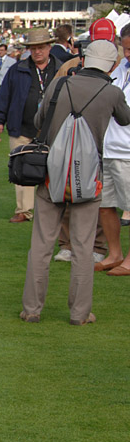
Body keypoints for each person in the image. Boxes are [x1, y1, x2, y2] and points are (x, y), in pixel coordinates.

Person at [20, 39, 130, 325]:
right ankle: (80, 314)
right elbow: (125, 119)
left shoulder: (59, 85)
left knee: (42, 243)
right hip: (88, 177)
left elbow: (38, 119)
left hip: (51, 175)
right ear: (113, 65)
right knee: (84, 247)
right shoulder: (112, 92)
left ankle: (32, 309)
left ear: (83, 60)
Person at [0, 27, 61, 223]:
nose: (37, 51)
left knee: (54, 168)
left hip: (52, 128)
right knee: (21, 168)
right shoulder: (17, 69)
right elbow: (4, 96)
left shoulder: (61, 69)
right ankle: (24, 210)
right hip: (21, 126)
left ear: (49, 47)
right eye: (33, 48)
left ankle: (53, 209)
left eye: (41, 47)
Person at [95, 24, 130, 276]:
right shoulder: (120, 69)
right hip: (107, 148)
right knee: (105, 205)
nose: (128, 54)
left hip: (128, 151)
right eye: (126, 49)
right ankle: (115, 253)